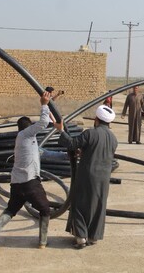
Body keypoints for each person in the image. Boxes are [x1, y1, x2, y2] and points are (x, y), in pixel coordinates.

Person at [0, 91, 52, 249]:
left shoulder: (23, 139)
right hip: (30, 182)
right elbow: (44, 122)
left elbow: (45, 121)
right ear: (29, 127)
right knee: (45, 209)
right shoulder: (26, 135)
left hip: (17, 183)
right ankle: (43, 241)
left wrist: (50, 102)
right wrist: (43, 104)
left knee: (11, 209)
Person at [55, 105, 118, 248]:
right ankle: (93, 236)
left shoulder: (90, 133)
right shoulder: (113, 139)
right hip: (103, 178)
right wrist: (84, 152)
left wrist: (60, 130)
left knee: (79, 203)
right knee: (98, 205)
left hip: (87, 175)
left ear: (96, 119)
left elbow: (71, 144)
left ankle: (81, 237)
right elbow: (100, 153)